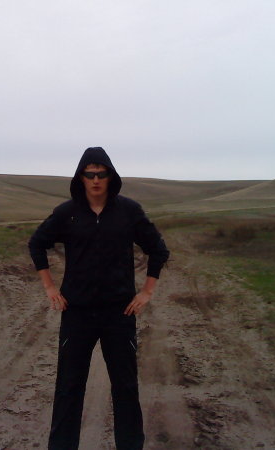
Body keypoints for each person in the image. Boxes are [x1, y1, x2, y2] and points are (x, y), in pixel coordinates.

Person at [28, 147, 170, 450]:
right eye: (89, 174)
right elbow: (37, 243)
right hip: (77, 313)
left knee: (126, 388)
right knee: (68, 388)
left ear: (110, 176)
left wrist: (147, 292)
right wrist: (50, 288)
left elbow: (158, 249)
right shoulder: (67, 213)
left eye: (101, 174)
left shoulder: (128, 211)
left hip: (119, 314)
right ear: (80, 177)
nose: (95, 180)